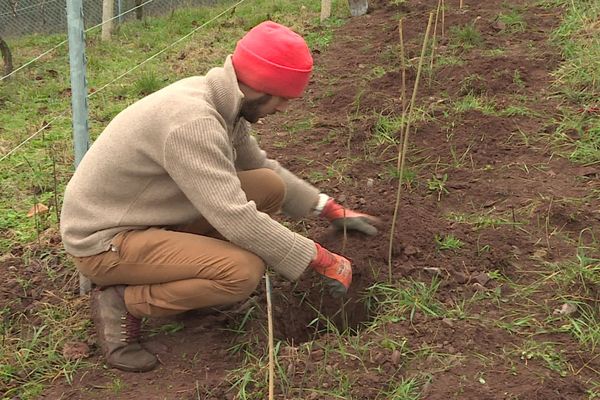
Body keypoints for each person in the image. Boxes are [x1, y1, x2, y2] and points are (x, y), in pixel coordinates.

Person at [60, 21, 378, 373]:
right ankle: (123, 301)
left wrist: (328, 208)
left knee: (267, 187)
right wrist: (318, 258)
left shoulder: (224, 102)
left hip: (150, 219)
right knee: (241, 273)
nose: (284, 109)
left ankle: (192, 289)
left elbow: (261, 167)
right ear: (261, 87)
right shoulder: (193, 122)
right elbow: (234, 217)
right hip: (104, 242)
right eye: (284, 98)